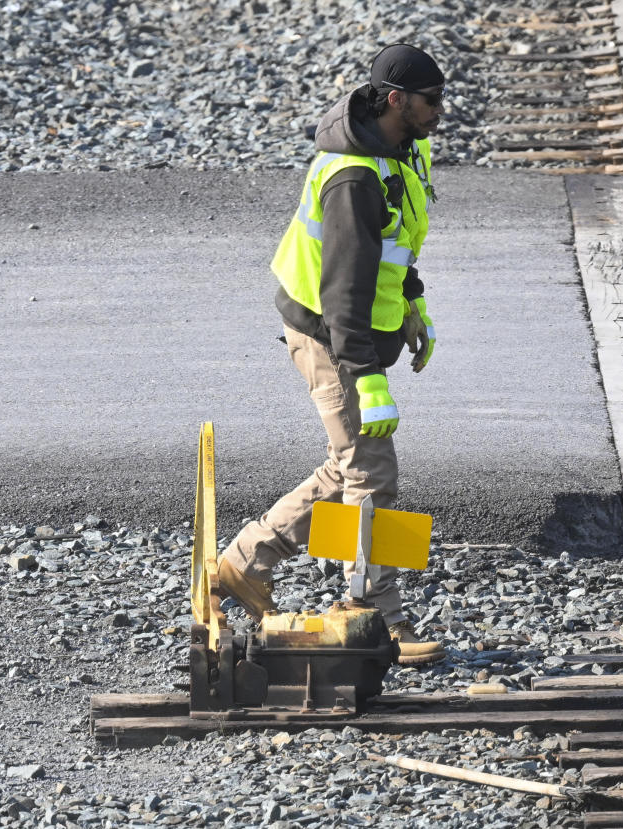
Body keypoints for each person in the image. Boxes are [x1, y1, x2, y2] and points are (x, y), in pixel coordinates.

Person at [215, 43, 446, 666]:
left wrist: (414, 306)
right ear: (395, 100)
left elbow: (399, 244)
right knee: (373, 472)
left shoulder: (404, 150)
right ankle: (377, 618)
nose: (440, 112)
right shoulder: (354, 177)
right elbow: (344, 289)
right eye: (431, 101)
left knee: (348, 466)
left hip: (357, 330)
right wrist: (367, 377)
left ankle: (243, 564)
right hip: (330, 334)